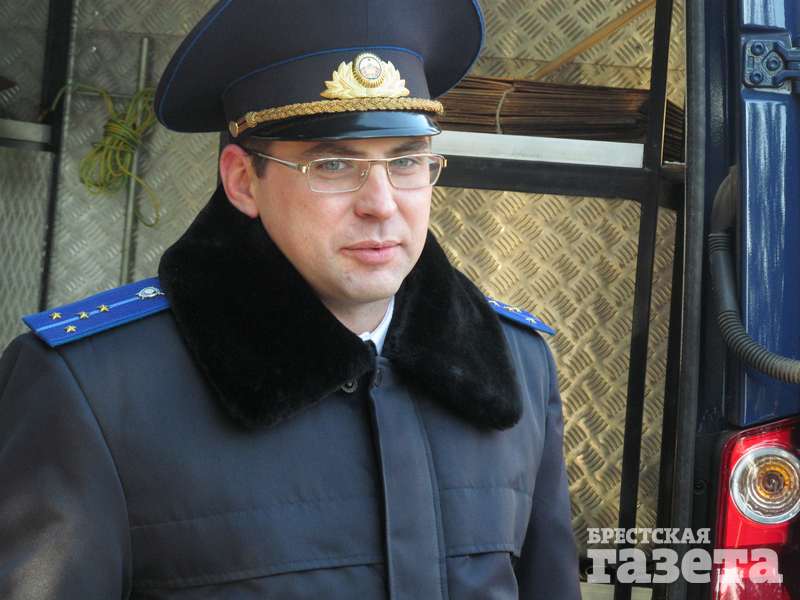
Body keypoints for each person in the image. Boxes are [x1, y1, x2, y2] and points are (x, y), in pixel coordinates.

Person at [0, 0, 581, 598]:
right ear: (242, 181)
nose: (382, 204)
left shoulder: (518, 367)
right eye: (334, 164)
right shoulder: (93, 389)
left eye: (406, 161)